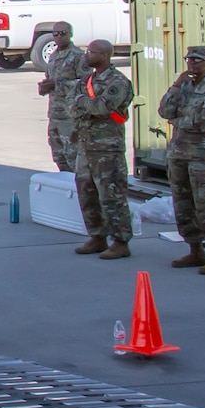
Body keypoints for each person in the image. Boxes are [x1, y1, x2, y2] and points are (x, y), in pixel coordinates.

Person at [157, 46, 205, 274]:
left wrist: (178, 120)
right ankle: (195, 250)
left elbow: (203, 123)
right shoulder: (184, 87)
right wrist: (175, 86)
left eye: (198, 60)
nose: (192, 64)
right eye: (190, 59)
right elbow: (164, 111)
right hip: (179, 155)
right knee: (183, 205)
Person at [72, 39, 134, 259]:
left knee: (111, 195)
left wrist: (84, 103)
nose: (86, 55)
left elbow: (102, 107)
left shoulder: (118, 82)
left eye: (91, 52)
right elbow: (72, 106)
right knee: (86, 192)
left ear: (105, 55)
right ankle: (97, 236)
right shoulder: (87, 80)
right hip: (86, 145)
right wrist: (84, 104)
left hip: (107, 148)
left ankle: (120, 240)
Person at [36, 21, 87, 172]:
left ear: (70, 34)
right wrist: (45, 86)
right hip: (55, 114)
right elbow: (51, 78)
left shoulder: (78, 56)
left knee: (73, 156)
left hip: (70, 116)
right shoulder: (53, 55)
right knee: (58, 156)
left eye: (63, 33)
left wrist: (57, 85)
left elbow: (86, 83)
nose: (59, 37)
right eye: (55, 34)